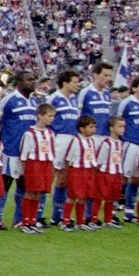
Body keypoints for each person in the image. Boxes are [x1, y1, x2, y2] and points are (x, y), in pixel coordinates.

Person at [0, 70, 38, 227]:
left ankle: (19, 219)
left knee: (24, 184)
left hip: (28, 152)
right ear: (19, 82)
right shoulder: (9, 100)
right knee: (5, 183)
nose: (32, 82)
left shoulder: (35, 102)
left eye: (33, 79)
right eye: (28, 79)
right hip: (10, 149)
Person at [45, 69, 83, 225]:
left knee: (64, 179)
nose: (78, 85)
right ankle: (38, 214)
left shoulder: (74, 100)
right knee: (51, 177)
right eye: (75, 82)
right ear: (65, 83)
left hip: (72, 140)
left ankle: (58, 214)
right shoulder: (54, 98)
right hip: (58, 139)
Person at [115, 76, 139, 219]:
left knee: (136, 178)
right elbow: (117, 120)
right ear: (135, 88)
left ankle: (129, 209)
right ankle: (114, 208)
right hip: (129, 143)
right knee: (123, 176)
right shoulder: (127, 103)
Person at [16, 102, 58, 234]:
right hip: (34, 164)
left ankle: (33, 220)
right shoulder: (30, 133)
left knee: (39, 193)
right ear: (40, 116)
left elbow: (52, 151)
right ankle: (25, 221)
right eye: (49, 116)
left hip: (46, 164)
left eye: (53, 116)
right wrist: (26, 170)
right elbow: (23, 155)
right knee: (30, 192)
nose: (52, 118)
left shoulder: (51, 133)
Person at [60, 115, 102, 230]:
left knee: (84, 196)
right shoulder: (75, 140)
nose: (94, 129)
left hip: (88, 171)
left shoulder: (93, 141)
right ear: (82, 128)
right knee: (72, 196)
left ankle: (80, 221)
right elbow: (68, 158)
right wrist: (66, 175)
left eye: (95, 127)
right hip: (77, 171)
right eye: (91, 127)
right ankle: (65, 221)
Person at [77, 61, 116, 137]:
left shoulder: (107, 94)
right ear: (95, 75)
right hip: (91, 136)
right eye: (105, 75)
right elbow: (78, 115)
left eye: (110, 76)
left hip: (105, 135)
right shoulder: (85, 92)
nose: (108, 79)